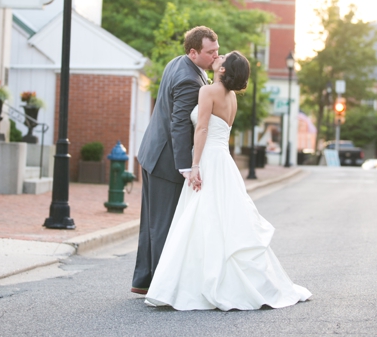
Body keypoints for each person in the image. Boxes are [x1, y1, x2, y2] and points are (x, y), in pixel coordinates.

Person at [144, 52, 311, 310]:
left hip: (209, 160)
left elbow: (201, 129)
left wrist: (194, 166)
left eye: (222, 57)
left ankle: (200, 284)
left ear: (222, 70)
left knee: (204, 219)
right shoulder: (231, 97)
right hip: (224, 161)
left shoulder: (209, 91)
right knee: (221, 220)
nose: (218, 56)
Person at [132, 26, 219, 295]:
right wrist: (185, 166)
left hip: (151, 153)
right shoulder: (189, 80)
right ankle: (161, 287)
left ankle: (143, 281)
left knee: (152, 224)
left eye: (217, 49)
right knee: (163, 225)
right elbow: (179, 124)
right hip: (165, 161)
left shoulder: (179, 63)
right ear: (193, 52)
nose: (216, 56)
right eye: (210, 52)